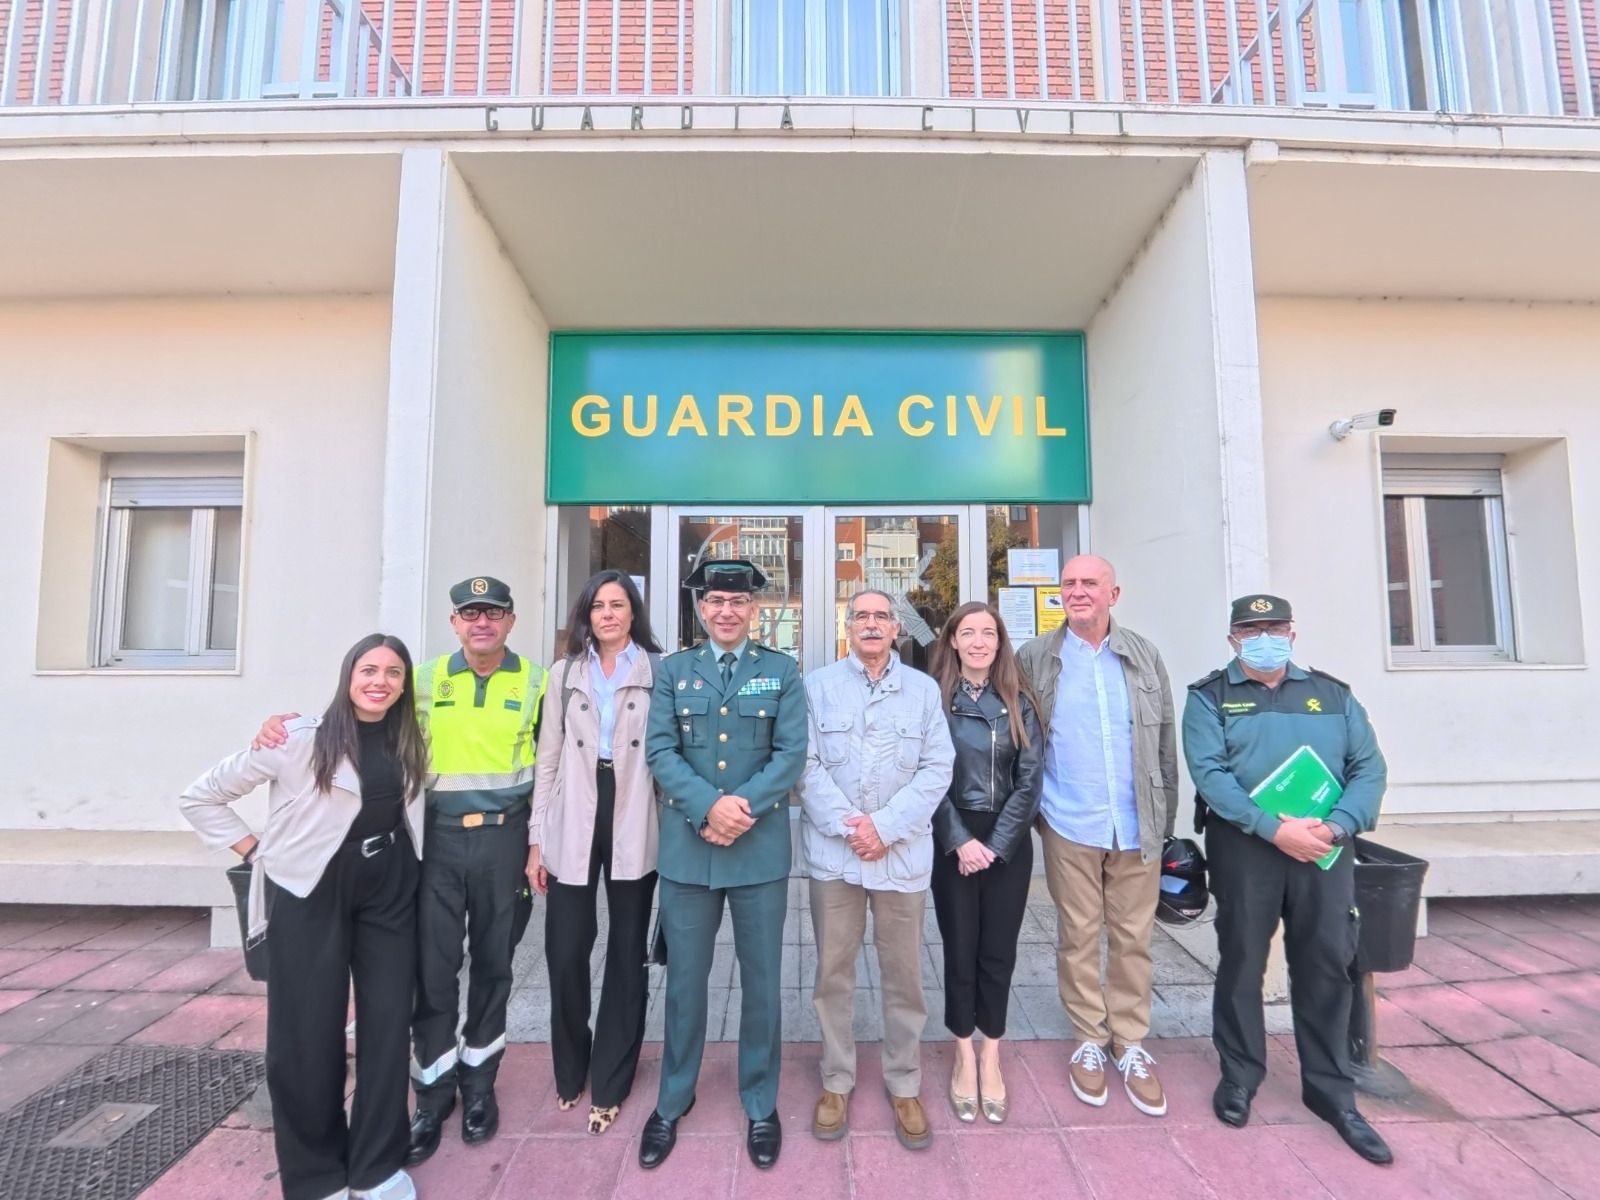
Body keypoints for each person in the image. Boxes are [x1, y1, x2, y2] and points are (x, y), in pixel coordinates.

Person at [253, 576, 548, 1164]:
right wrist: (285, 726)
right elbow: (365, 712)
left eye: (493, 614)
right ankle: (432, 1095)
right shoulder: (424, 680)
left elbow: (555, 765)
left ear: (512, 621)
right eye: (470, 614)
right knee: (431, 973)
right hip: (432, 846)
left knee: (494, 968)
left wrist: (538, 844)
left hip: (505, 844)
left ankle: (480, 1086)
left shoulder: (538, 681)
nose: (481, 623)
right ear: (454, 623)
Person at [181, 634, 428, 1200]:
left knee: (388, 1025)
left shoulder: (410, 738)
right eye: (369, 669)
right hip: (309, 889)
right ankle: (316, 1175)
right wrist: (255, 852)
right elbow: (201, 796)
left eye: (393, 673)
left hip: (388, 890)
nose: (380, 682)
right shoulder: (297, 738)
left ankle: (376, 1166)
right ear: (348, 675)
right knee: (306, 1033)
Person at [1183, 593, 1393, 1165]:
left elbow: (1367, 769)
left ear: (1293, 634)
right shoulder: (1210, 697)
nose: (1263, 638)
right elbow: (1210, 774)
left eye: (1274, 628)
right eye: (1251, 630)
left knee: (1326, 961)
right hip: (1247, 849)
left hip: (1325, 850)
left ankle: (1331, 1091)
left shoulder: (1333, 695)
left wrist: (1336, 826)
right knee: (1242, 961)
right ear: (1233, 640)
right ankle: (1240, 1075)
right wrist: (1273, 828)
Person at [639, 559, 807, 1171]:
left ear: (754, 611)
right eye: (715, 601)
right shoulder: (673, 672)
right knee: (684, 985)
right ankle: (673, 1098)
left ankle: (761, 1102)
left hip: (759, 853)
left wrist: (739, 811)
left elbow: (791, 755)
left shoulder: (782, 671)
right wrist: (709, 807)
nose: (727, 611)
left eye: (738, 603)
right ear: (701, 609)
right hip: (689, 852)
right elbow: (659, 748)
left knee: (763, 983)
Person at [1015, 554, 1178, 1118]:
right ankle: (1089, 1036)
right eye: (1069, 583)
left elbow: (1165, 744)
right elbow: (1022, 738)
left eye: (1090, 583)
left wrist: (1166, 821)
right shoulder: (1037, 655)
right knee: (1077, 935)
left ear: (1114, 592)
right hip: (1068, 820)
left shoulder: (1144, 655)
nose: (1078, 591)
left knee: (1133, 938)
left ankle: (1130, 1043)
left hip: (1135, 824)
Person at [797, 589, 954, 1150]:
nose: (870, 624)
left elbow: (938, 767)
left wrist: (883, 828)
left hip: (901, 856)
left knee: (904, 977)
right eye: (859, 616)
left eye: (880, 617)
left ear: (896, 629)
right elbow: (806, 765)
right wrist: (852, 826)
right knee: (832, 975)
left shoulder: (923, 689)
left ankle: (904, 1080)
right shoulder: (816, 687)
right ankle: (836, 1080)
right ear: (847, 627)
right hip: (835, 858)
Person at [528, 570, 663, 1136]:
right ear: (586, 615)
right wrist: (537, 838)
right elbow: (547, 757)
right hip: (573, 811)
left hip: (635, 809)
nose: (608, 614)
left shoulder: (660, 669)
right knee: (565, 947)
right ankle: (570, 1063)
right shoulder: (564, 673)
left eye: (619, 604)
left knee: (627, 949)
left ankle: (612, 1076)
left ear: (634, 612)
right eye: (598, 606)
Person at [927, 602, 1043, 1124]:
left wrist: (995, 844)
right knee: (959, 949)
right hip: (953, 838)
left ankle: (991, 1052)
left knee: (998, 951)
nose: (978, 641)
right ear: (952, 640)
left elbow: (1031, 779)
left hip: (1007, 842)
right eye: (967, 632)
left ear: (999, 642)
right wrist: (958, 839)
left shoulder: (1020, 701)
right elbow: (927, 775)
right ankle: (962, 1053)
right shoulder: (933, 700)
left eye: (988, 633)